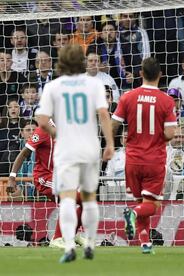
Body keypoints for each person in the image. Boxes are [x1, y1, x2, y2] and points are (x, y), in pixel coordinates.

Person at [36, 44, 114, 262]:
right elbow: (104, 115)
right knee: (89, 198)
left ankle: (69, 245)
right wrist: (109, 143)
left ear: (60, 62)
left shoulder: (53, 86)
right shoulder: (94, 84)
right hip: (89, 147)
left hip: (66, 148)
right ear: (81, 62)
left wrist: (56, 132)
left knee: (68, 198)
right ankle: (89, 242)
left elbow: (41, 120)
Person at [111, 57, 177, 254]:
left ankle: (145, 243)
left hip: (132, 159)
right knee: (152, 205)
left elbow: (114, 125)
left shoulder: (127, 97)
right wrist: (156, 136)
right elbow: (170, 134)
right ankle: (133, 214)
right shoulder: (166, 100)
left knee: (141, 202)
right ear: (160, 75)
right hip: (154, 159)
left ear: (140, 74)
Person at [6, 120, 85, 248]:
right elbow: (25, 152)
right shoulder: (44, 129)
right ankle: (57, 239)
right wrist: (12, 177)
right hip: (43, 177)